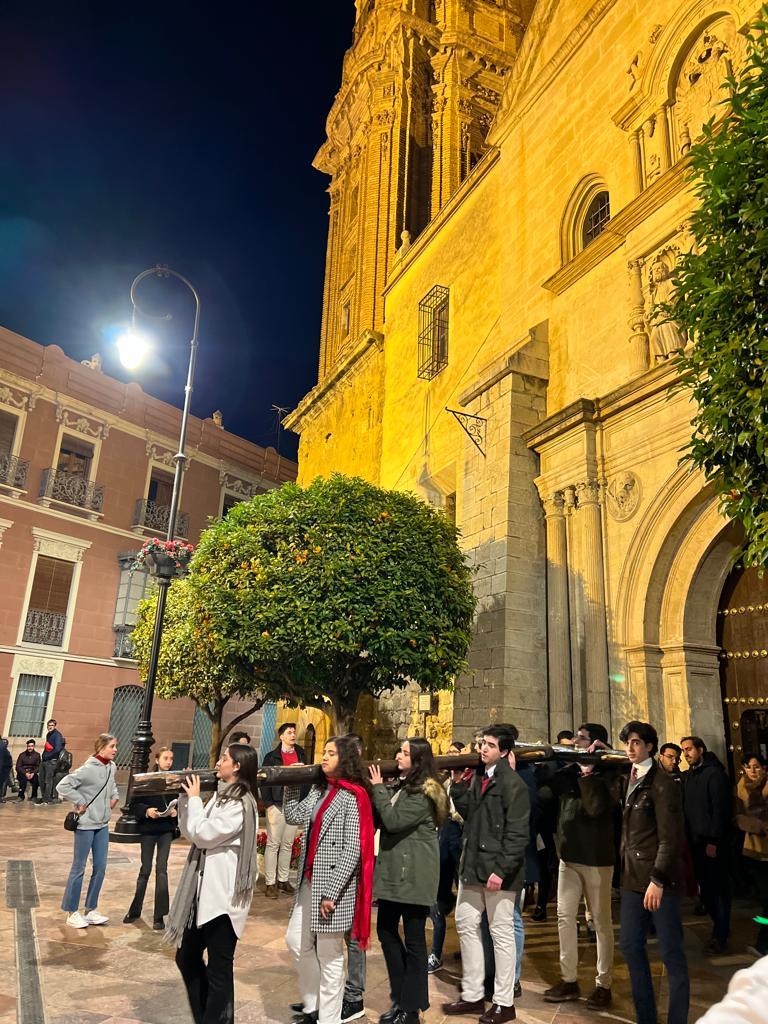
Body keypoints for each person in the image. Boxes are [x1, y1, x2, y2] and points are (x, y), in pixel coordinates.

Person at [284, 736, 374, 1024]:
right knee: (296, 942)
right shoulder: (320, 790)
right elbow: (292, 815)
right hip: (309, 881)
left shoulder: (354, 795)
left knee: (330, 955)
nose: (324, 757)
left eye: (331, 753)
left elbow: (353, 849)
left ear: (345, 759)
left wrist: (332, 893)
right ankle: (315, 1005)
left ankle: (329, 1018)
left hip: (333, 889)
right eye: (323, 752)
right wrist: (291, 781)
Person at [443, 724, 529, 1024]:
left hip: (497, 874)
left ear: (504, 751)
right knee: (466, 923)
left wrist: (501, 871)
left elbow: (518, 834)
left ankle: (504, 1002)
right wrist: (456, 785)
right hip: (473, 868)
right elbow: (471, 814)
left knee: (501, 933)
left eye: (490, 745)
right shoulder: (480, 777)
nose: (482, 749)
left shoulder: (513, 784)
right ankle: (473, 994)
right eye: (482, 743)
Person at [169, 743, 260, 1024]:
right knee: (186, 958)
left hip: (223, 899)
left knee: (220, 970)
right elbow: (192, 831)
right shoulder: (221, 798)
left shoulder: (240, 803)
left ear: (237, 767)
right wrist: (187, 800)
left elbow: (205, 835)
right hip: (202, 895)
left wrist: (195, 800)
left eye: (224, 758)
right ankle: (212, 1017)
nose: (218, 762)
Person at [369, 737, 448, 1024]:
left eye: (404, 753)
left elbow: (394, 820)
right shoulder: (405, 786)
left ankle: (411, 1009)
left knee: (414, 941)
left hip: (413, 876)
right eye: (400, 751)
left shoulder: (424, 792)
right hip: (396, 875)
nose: (398, 756)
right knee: (386, 931)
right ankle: (404, 1000)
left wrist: (378, 788)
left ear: (417, 760)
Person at [542, 722, 618, 1010]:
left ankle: (603, 984)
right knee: (564, 916)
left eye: (581, 738)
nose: (574, 741)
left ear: (595, 744)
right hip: (569, 855)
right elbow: (546, 792)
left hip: (597, 858)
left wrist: (589, 773)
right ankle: (569, 979)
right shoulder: (569, 772)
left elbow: (596, 807)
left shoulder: (610, 775)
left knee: (600, 922)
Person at [618, 720, 688, 1024]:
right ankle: (645, 1016)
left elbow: (669, 837)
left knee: (671, 953)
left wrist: (658, 879)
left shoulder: (662, 784)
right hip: (632, 878)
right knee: (631, 946)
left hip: (659, 881)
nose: (630, 748)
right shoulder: (627, 777)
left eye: (635, 742)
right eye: (627, 742)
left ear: (649, 745)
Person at [57, 732, 120, 929]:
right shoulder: (87, 769)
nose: (115, 750)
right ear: (101, 747)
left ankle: (91, 909)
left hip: (102, 825)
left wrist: (115, 797)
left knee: (100, 867)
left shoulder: (112, 767)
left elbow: (112, 786)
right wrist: (80, 801)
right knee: (79, 868)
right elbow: (63, 785)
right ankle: (71, 911)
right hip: (85, 825)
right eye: (112, 746)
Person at [680, 734, 732, 954]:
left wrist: (713, 841)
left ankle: (720, 936)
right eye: (684, 750)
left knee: (718, 890)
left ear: (701, 749)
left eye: (689, 749)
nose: (686, 754)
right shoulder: (689, 776)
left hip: (712, 844)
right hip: (695, 843)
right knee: (706, 892)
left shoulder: (715, 775)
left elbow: (720, 810)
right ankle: (718, 929)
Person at [124, 746, 179, 929]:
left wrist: (175, 813)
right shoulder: (146, 780)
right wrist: (147, 811)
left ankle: (159, 915)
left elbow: (180, 803)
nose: (169, 762)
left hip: (165, 830)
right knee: (145, 870)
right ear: (157, 760)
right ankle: (135, 909)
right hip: (148, 830)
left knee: (162, 870)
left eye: (171, 758)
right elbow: (134, 805)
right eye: (165, 758)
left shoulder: (174, 780)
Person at [429, 740, 467, 973]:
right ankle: (435, 952)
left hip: (461, 841)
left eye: (456, 755)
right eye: (449, 754)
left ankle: (469, 948)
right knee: (438, 901)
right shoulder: (444, 783)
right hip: (444, 840)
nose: (452, 758)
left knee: (466, 902)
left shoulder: (468, 785)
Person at [261, 722, 306, 898]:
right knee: (273, 844)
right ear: (281, 736)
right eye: (289, 732)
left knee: (288, 844)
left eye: (294, 732)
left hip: (294, 803)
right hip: (277, 803)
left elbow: (306, 776)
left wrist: (302, 801)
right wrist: (268, 803)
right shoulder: (271, 756)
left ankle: (283, 880)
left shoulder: (301, 753)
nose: (293, 735)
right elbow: (264, 780)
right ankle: (270, 883)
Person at [734, 752, 768, 958]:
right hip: (754, 850)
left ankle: (763, 942)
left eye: (757, 766)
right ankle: (763, 940)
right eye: (749, 767)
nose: (753, 771)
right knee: (765, 900)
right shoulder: (740, 789)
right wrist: (758, 826)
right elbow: (737, 816)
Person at [39, 719, 65, 803]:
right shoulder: (48, 735)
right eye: (49, 725)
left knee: (48, 781)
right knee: (42, 779)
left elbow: (57, 749)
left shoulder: (57, 735)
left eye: (52, 725)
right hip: (45, 761)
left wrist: (47, 756)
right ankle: (44, 797)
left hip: (51, 761)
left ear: (55, 726)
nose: (50, 727)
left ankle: (47, 799)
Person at [0, 737, 12, 802]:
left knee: (6, 776)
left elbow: (9, 763)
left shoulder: (7, 752)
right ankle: (13, 785)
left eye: (5, 743)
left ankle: (1, 796)